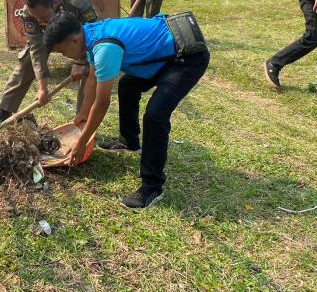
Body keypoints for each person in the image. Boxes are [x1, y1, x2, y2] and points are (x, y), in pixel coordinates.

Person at [43, 12, 209, 208]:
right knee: (128, 85)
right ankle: (129, 141)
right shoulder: (89, 34)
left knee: (155, 116)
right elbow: (93, 79)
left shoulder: (104, 48)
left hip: (186, 56)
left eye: (62, 52)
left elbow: (102, 102)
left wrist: (82, 141)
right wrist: (82, 114)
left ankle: (152, 187)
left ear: (73, 40)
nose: (65, 56)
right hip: (165, 51)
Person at [0, 0, 98, 131]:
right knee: (27, 60)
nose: (39, 20)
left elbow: (95, 33)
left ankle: (82, 121)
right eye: (36, 17)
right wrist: (42, 87)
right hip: (49, 38)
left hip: (80, 38)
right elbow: (37, 48)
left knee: (88, 69)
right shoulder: (28, 12)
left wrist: (81, 61)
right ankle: (3, 112)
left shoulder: (78, 1)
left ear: (55, 4)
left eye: (43, 17)